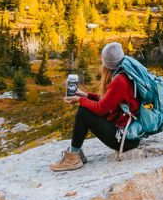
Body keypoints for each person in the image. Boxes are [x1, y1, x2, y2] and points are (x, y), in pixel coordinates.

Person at [50, 41, 140, 172]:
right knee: (85, 108)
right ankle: (77, 153)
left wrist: (80, 100)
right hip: (131, 134)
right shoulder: (125, 73)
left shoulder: (119, 81)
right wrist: (86, 95)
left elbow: (101, 108)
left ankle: (74, 157)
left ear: (106, 62)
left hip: (125, 140)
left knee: (83, 112)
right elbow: (108, 101)